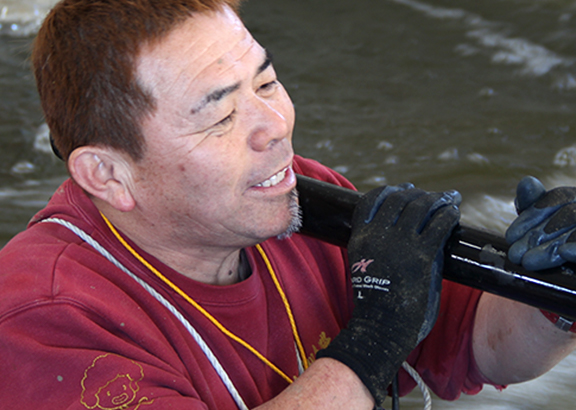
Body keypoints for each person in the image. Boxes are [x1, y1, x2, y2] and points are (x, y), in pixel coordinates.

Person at [0, 0, 575, 409]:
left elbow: (479, 345)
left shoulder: (289, 195)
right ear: (108, 174)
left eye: (267, 82)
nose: (276, 126)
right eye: (221, 116)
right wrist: (373, 342)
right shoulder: (39, 321)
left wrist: (554, 291)